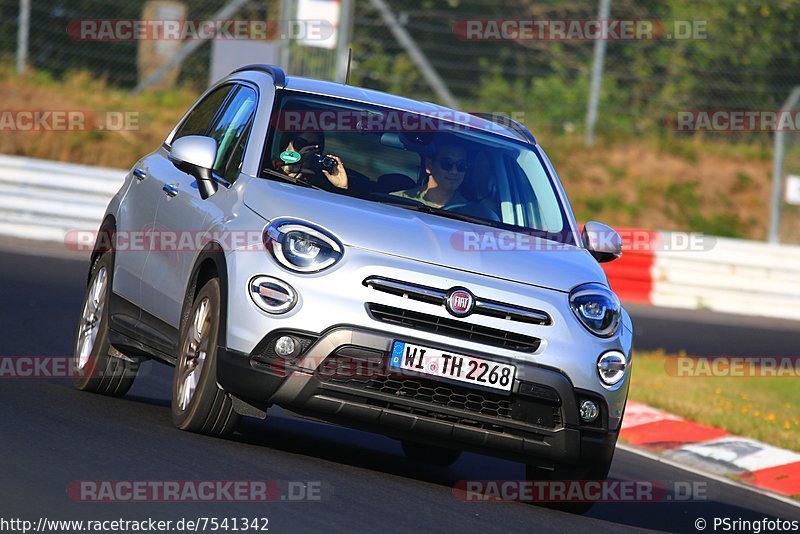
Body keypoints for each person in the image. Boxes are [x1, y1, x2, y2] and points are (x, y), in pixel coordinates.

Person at [393, 143, 469, 208]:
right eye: (447, 163)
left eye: (461, 165)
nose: (454, 171)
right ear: (429, 165)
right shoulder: (398, 202)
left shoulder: (471, 211)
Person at [274, 131, 348, 189]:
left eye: (313, 147)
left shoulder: (322, 177)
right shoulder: (269, 168)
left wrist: (340, 187)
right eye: (300, 144)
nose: (306, 151)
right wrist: (286, 173)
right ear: (286, 145)